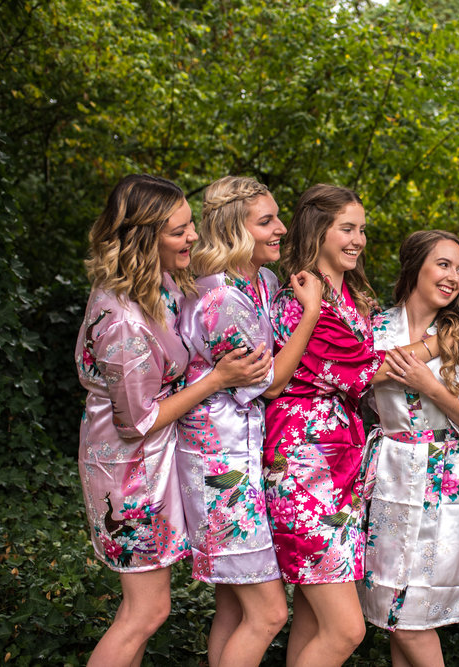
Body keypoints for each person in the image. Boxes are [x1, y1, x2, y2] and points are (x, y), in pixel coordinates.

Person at [75, 174, 271, 667]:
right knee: (145, 612)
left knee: (144, 611)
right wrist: (218, 379)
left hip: (155, 462)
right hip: (130, 472)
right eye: (180, 231)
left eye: (190, 226)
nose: (193, 238)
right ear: (145, 238)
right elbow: (135, 421)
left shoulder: (155, 287)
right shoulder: (121, 317)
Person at [262, 184, 441, 667]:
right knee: (346, 629)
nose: (359, 239)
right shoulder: (304, 294)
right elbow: (370, 369)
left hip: (339, 465)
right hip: (304, 467)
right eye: (347, 228)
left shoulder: (349, 294)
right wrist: (442, 342)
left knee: (312, 621)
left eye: (362, 229)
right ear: (318, 230)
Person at [176, 176, 323, 667]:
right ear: (234, 230)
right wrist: (311, 314)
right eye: (266, 221)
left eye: (277, 216)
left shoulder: (261, 282)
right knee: (267, 614)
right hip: (220, 468)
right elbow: (273, 382)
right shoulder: (219, 299)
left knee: (233, 609)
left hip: (247, 456)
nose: (281, 228)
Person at [360, 230, 459, 667]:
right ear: (415, 266)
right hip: (389, 474)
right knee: (393, 613)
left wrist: (432, 388)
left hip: (447, 478)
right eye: (443, 264)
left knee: (414, 618)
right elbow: (356, 393)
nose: (454, 277)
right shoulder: (375, 328)